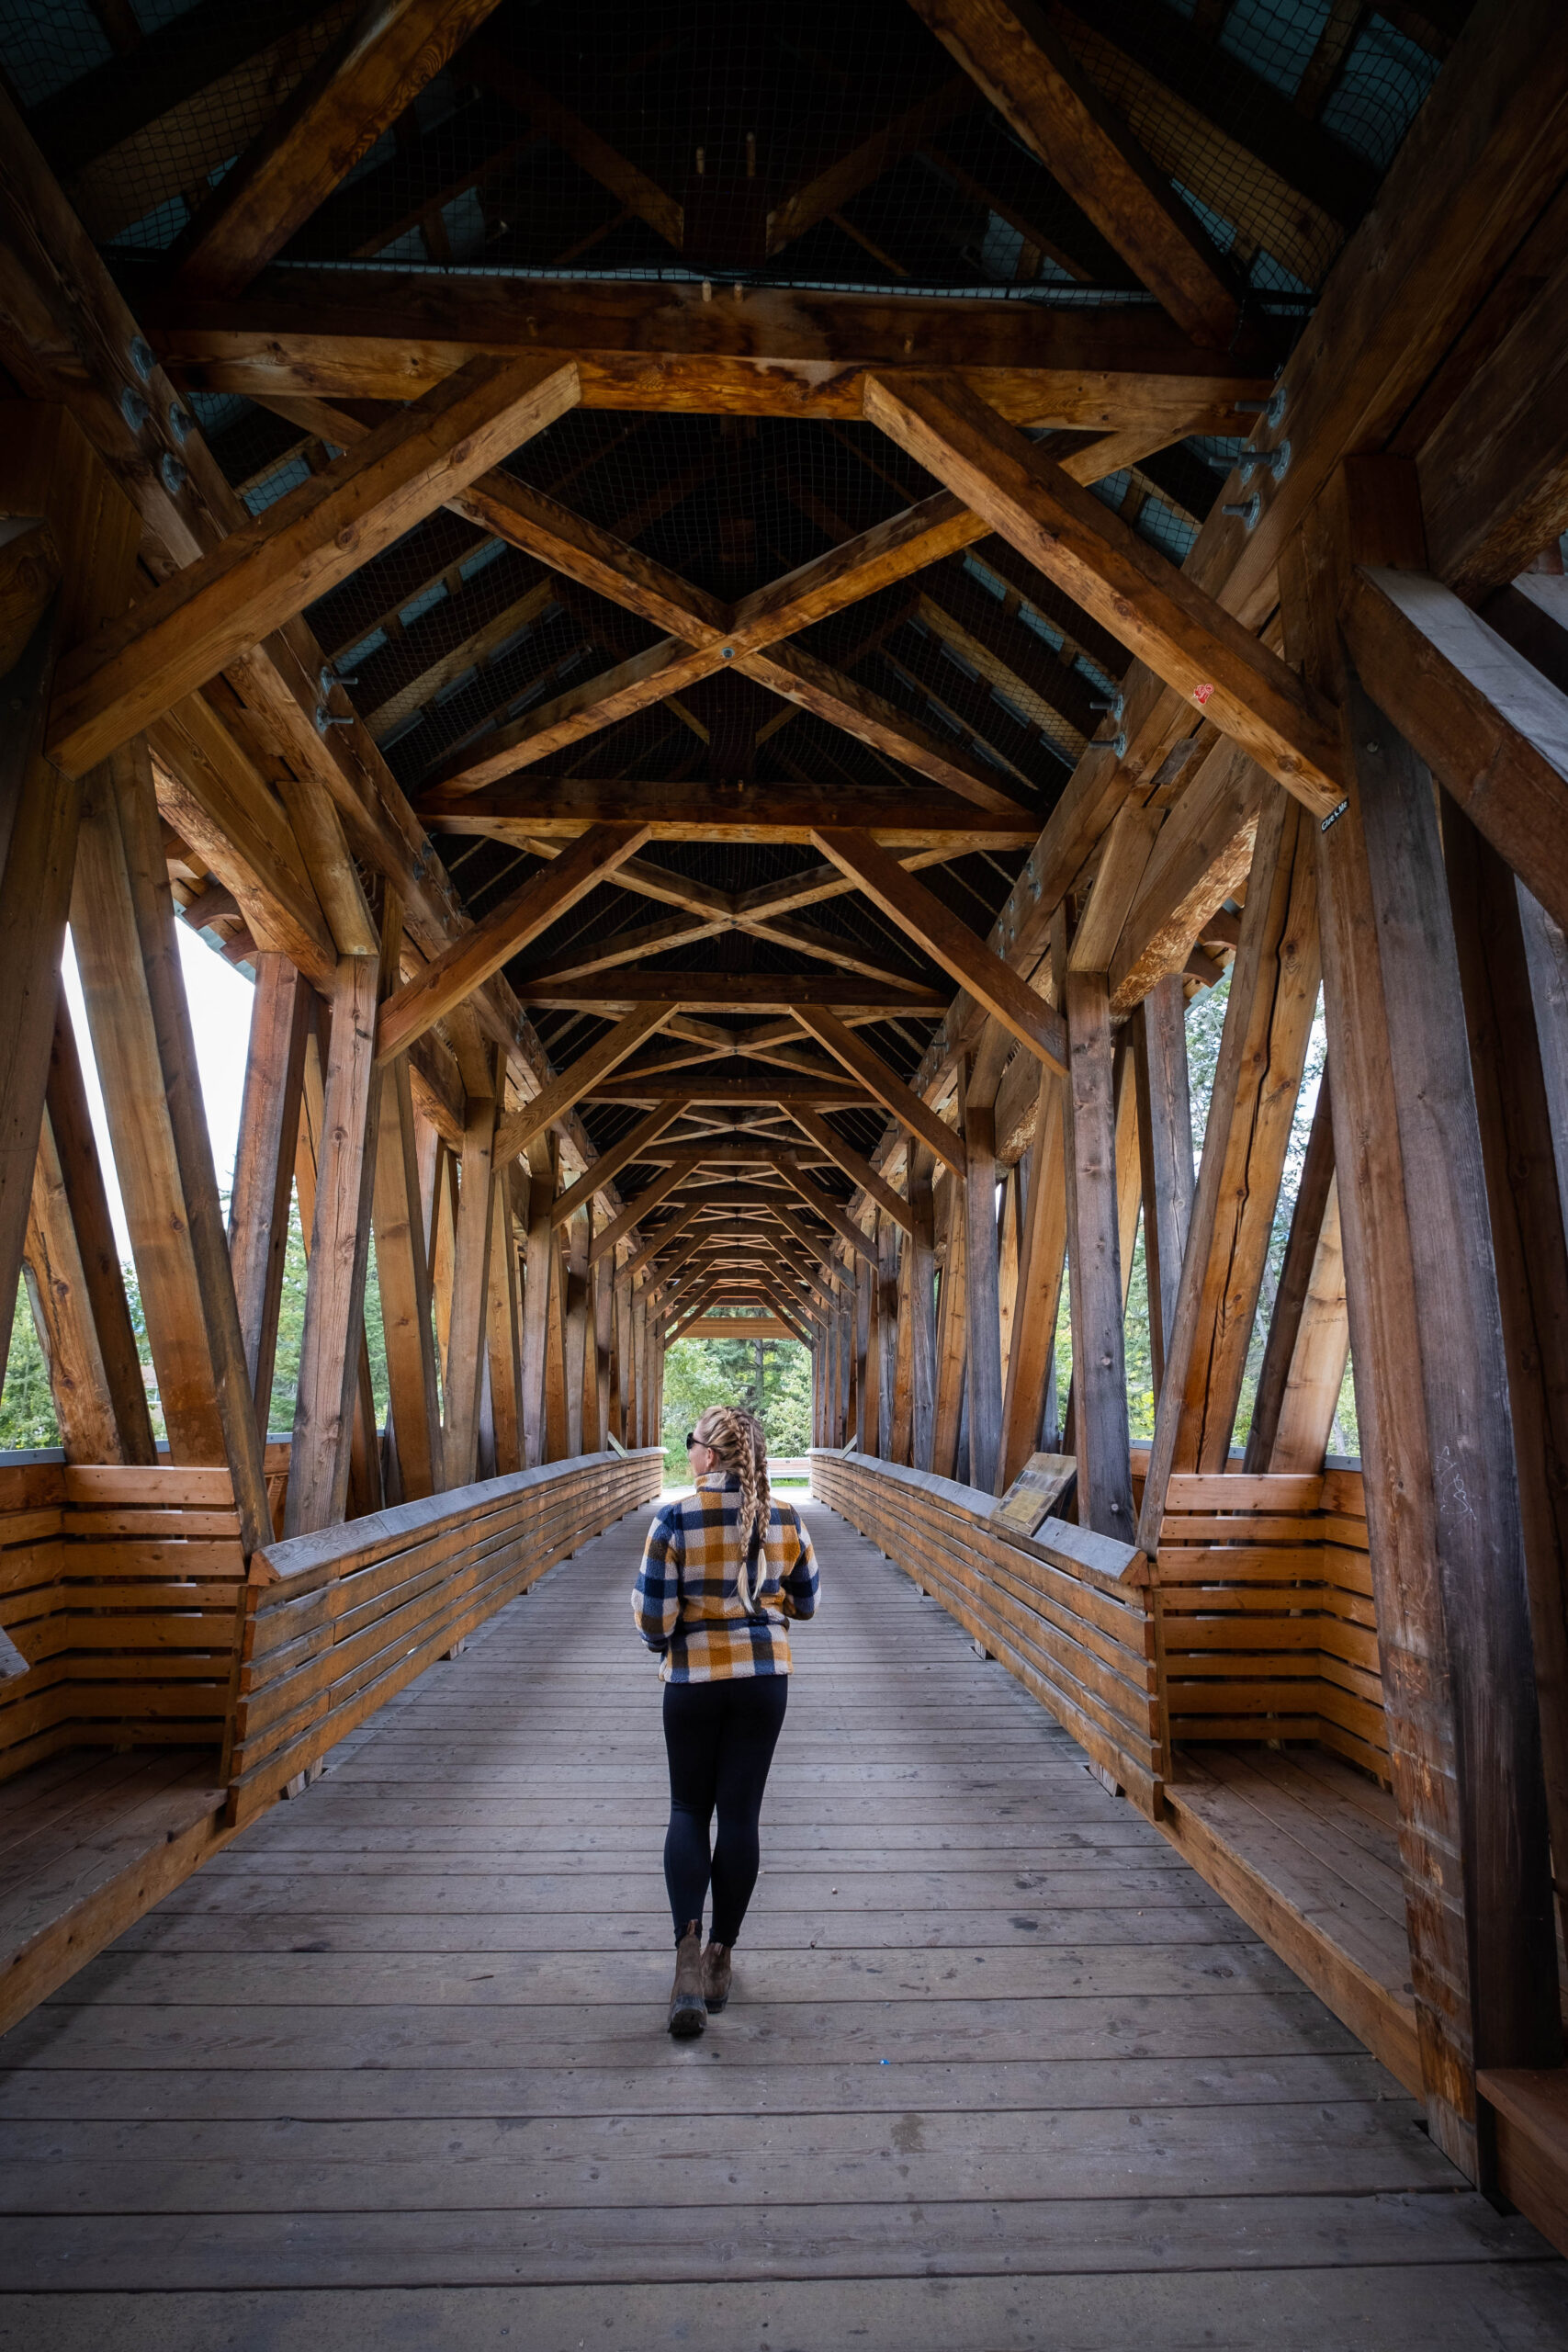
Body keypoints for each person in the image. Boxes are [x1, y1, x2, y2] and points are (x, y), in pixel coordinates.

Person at [631, 1405, 819, 2037]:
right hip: (764, 1682)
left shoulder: (674, 1519)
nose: (687, 1454)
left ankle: (685, 1956)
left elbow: (654, 1622)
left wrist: (677, 1639)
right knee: (739, 1816)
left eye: (690, 1445)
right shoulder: (785, 1518)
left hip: (692, 1682)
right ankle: (720, 1957)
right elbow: (807, 1601)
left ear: (708, 1456)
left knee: (689, 1809)